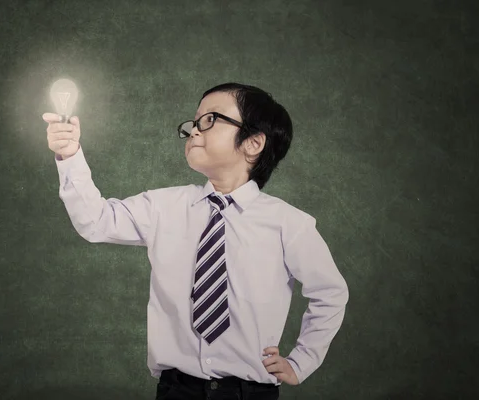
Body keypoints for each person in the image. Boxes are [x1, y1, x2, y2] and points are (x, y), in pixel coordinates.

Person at [42, 82, 349, 400]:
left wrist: (302, 361)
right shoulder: (164, 207)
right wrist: (69, 156)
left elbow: (330, 293)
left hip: (249, 392)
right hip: (177, 389)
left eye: (210, 120)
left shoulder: (289, 223)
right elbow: (96, 221)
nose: (193, 131)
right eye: (193, 122)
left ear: (254, 143)